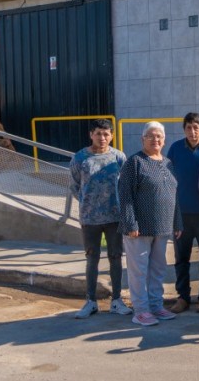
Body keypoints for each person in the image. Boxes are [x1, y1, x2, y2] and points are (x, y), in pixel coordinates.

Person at [118, 121, 183, 326]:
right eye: (151, 136)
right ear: (142, 139)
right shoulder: (134, 162)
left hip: (162, 227)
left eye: (159, 136)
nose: (155, 139)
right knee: (139, 270)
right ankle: (141, 310)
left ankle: (156, 306)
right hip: (139, 228)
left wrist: (177, 222)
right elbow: (125, 195)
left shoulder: (168, 163)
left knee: (158, 269)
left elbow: (174, 195)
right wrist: (130, 223)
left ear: (164, 140)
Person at [69, 119, 132, 319]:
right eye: (98, 134)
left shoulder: (119, 158)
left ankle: (116, 300)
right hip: (89, 219)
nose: (102, 138)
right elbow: (75, 186)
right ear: (91, 135)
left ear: (112, 135)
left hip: (114, 218)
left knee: (115, 257)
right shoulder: (80, 158)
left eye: (106, 134)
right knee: (91, 258)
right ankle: (90, 301)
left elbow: (126, 185)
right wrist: (90, 204)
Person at [166, 113, 199, 313]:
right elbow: (167, 180)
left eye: (196, 127)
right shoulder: (176, 149)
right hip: (181, 215)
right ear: (184, 129)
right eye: (188, 128)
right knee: (181, 258)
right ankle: (183, 297)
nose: (192, 131)